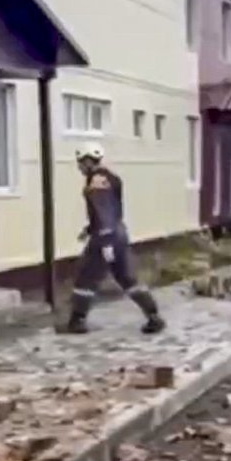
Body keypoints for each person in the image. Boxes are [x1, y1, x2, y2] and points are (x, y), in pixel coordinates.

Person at [63, 142, 166, 335]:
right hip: (118, 235)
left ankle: (77, 321)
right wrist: (90, 228)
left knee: (86, 277)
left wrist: (105, 239)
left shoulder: (97, 181)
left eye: (80, 163)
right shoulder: (111, 177)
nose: (79, 167)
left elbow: (104, 210)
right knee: (127, 278)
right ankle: (154, 316)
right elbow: (111, 208)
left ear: (87, 161)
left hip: (105, 237)